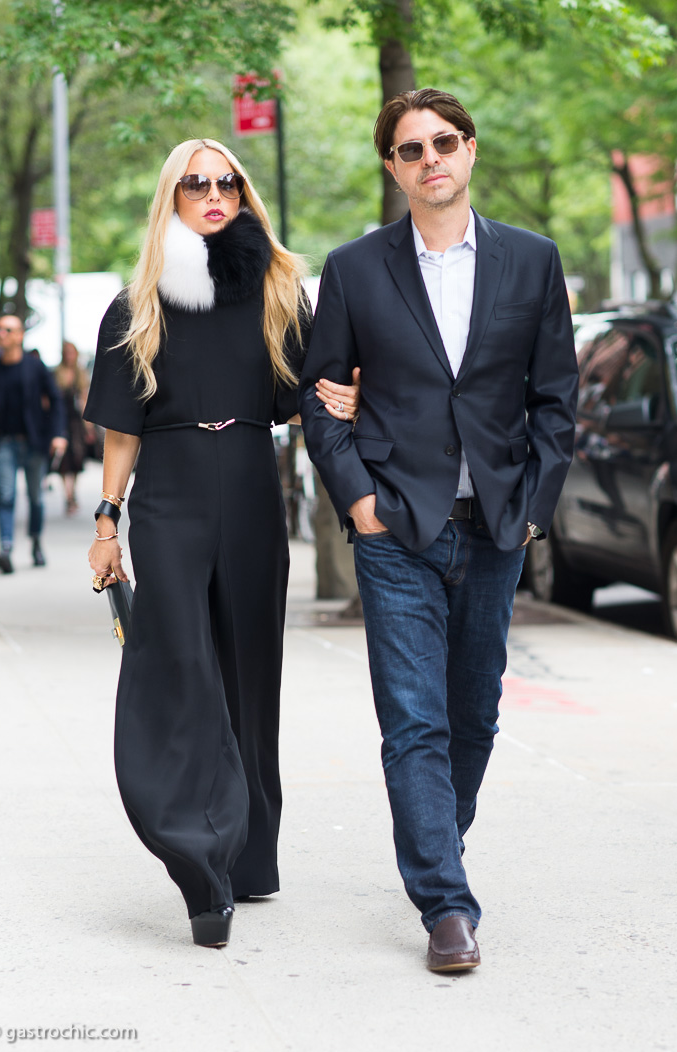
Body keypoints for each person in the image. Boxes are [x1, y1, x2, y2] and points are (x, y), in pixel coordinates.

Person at [299, 89, 578, 972]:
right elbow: (319, 398)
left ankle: (435, 841)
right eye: (411, 150)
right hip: (397, 529)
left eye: (444, 143)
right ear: (393, 167)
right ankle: (445, 906)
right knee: (413, 719)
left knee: (474, 715)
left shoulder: (532, 262)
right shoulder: (354, 268)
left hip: (497, 526)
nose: (431, 160)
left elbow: (557, 403)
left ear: (470, 152)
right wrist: (358, 503)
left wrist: (534, 512)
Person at [85, 137, 359, 949]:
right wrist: (108, 522)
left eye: (227, 182)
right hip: (168, 492)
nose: (213, 194)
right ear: (170, 197)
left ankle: (250, 855)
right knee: (181, 670)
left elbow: (310, 400)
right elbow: (122, 434)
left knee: (247, 670)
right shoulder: (134, 304)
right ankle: (200, 854)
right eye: (195, 183)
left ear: (243, 194)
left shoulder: (277, 289)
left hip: (248, 485)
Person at [0, 315, 67, 573]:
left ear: (19, 336)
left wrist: (58, 433)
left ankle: (36, 540)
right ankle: (5, 548)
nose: (1, 334)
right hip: (5, 443)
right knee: (5, 496)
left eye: (8, 330)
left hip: (34, 442)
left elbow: (56, 401)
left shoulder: (35, 368)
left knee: (36, 498)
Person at [54, 341, 91, 514]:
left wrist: (88, 427)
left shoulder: (80, 374)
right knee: (64, 460)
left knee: (77, 457)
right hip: (61, 419)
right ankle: (68, 494)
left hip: (76, 421)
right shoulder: (57, 374)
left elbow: (84, 400)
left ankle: (72, 491)